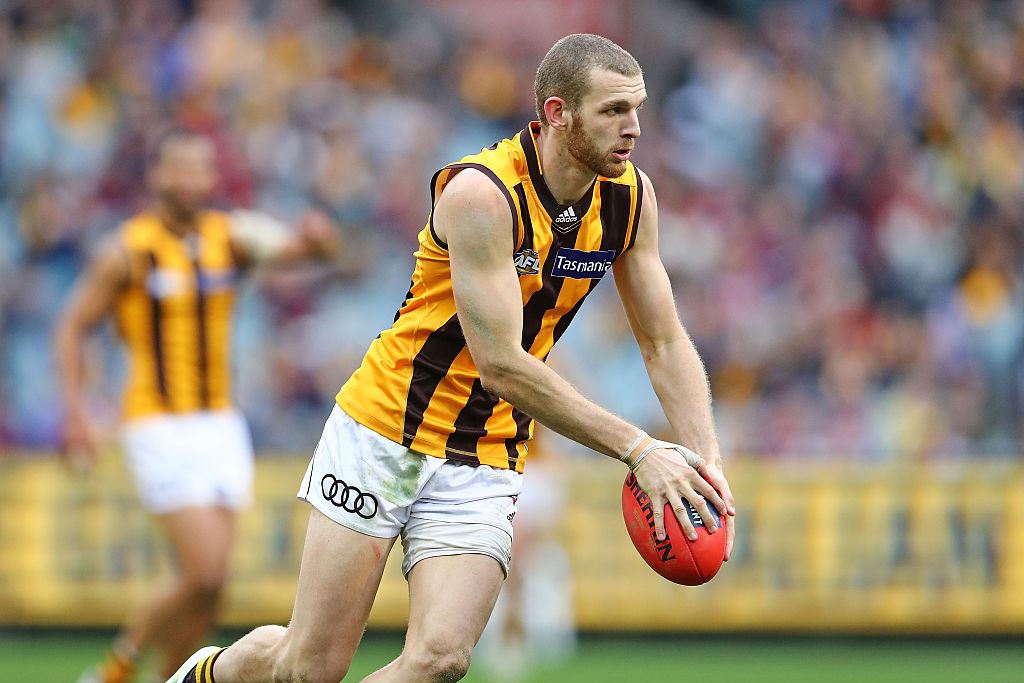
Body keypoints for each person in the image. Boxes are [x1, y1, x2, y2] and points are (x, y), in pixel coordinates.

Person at [168, 33, 736, 683]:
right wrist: (640, 448)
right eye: (612, 111)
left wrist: (705, 460)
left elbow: (662, 341)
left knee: (441, 659)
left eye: (636, 108)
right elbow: (500, 363)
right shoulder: (481, 194)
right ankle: (208, 674)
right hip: (387, 429)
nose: (633, 128)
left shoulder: (630, 198)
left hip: (487, 448)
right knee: (309, 667)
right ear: (557, 113)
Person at [54, 127, 339, 683]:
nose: (189, 178)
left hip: (220, 423)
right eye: (177, 167)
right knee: (203, 572)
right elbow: (72, 328)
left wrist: (320, 239)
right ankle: (114, 670)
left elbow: (305, 252)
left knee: (213, 589)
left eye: (199, 168)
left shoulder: (226, 238)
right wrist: (76, 412)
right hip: (158, 423)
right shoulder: (126, 251)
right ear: (156, 175)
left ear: (212, 177)